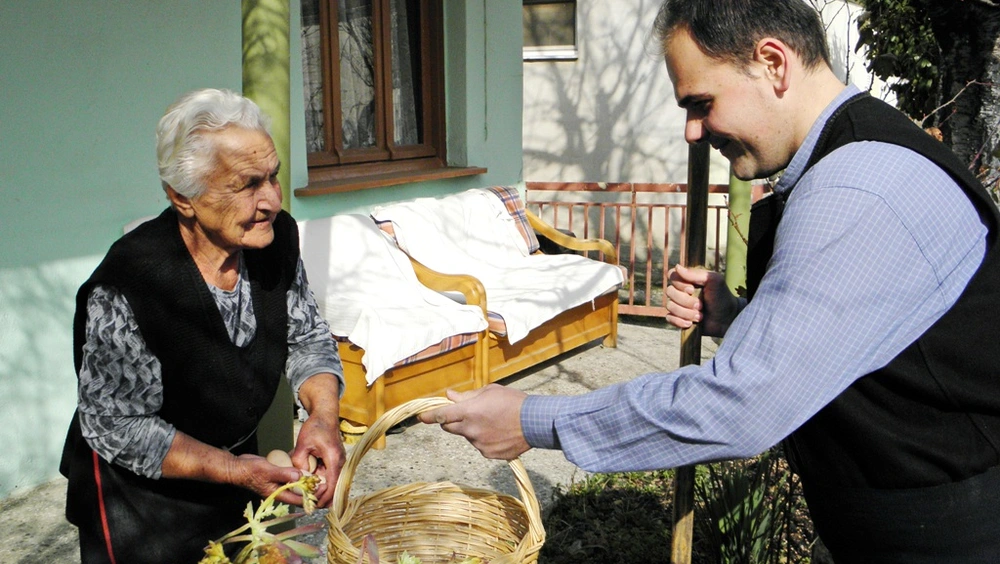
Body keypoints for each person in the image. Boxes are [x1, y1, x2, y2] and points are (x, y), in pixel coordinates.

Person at [417, 0, 1000, 561]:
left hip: (954, 533)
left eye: (701, 103)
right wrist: (744, 319)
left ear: (773, 63)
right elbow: (871, 348)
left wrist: (531, 420)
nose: (694, 133)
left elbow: (741, 406)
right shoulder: (851, 161)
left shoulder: (858, 187)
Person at [59, 88, 347, 564]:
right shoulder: (129, 286)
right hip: (144, 498)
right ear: (182, 197)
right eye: (247, 184)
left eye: (273, 177)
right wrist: (234, 470)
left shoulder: (274, 241)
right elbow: (118, 424)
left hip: (236, 466)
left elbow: (307, 336)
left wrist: (323, 418)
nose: (272, 201)